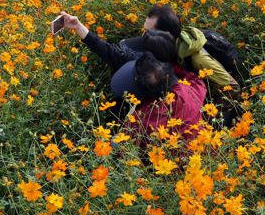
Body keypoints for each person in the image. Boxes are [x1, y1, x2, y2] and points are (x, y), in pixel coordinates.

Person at [59, 12, 206, 143]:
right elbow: (112, 54)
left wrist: (131, 118)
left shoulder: (142, 122)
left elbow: (119, 152)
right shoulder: (194, 86)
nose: (143, 35)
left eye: (148, 32)